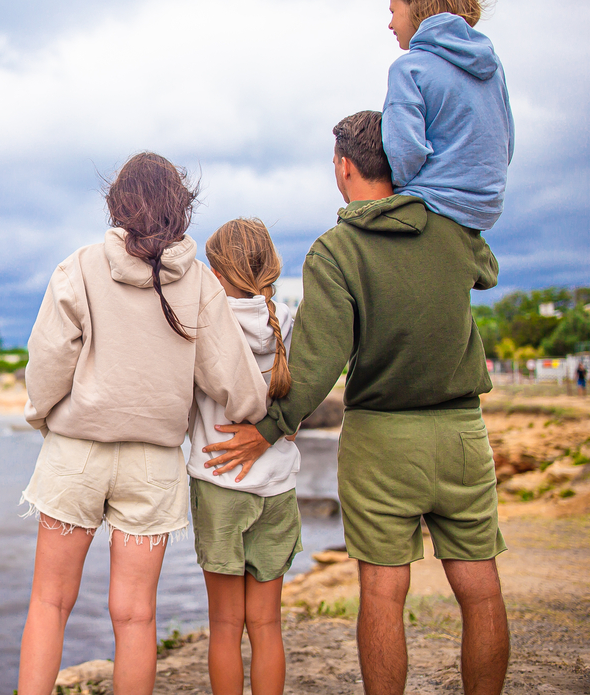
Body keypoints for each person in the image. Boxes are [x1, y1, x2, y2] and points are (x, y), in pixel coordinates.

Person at [206, 111, 508, 695]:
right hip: (463, 431)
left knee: (383, 594)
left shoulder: (336, 251)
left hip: (381, 440)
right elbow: (487, 270)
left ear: (344, 167)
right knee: (481, 589)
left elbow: (318, 363)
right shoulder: (452, 228)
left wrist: (270, 428)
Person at [17, 153, 269, 695]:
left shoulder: (78, 266)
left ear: (116, 204)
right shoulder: (200, 284)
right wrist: (258, 417)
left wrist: (43, 417)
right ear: (182, 209)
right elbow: (237, 384)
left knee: (49, 602)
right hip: (154, 465)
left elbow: (47, 364)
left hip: (75, 453)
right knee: (135, 618)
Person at [188, 218, 301, 695]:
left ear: (214, 274)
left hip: (219, 487)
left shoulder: (201, 326)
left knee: (225, 626)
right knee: (267, 626)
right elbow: (300, 400)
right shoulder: (290, 323)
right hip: (278, 487)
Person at [383, 0, 514, 231]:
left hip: (431, 206)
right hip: (485, 209)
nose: (390, 24)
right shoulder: (493, 66)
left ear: (417, 6)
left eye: (394, 11)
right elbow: (506, 141)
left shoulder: (408, 68)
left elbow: (404, 155)